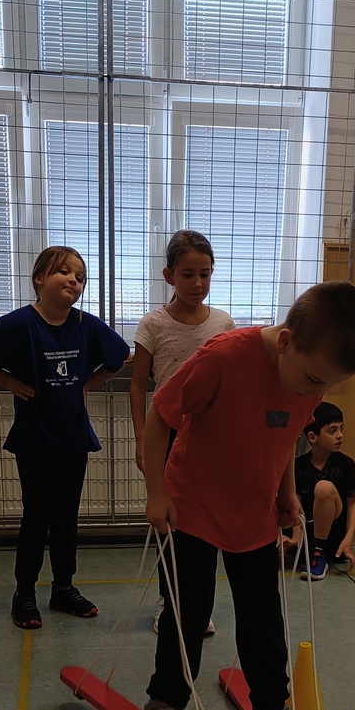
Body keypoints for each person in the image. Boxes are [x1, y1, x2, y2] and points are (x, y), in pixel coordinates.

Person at [140, 280, 355, 710]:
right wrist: (157, 493)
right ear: (285, 342)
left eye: (328, 385)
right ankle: (166, 704)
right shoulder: (223, 357)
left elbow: (284, 436)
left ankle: (269, 708)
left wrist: (286, 493)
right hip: (192, 508)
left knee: (264, 619)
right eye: (314, 380)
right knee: (189, 613)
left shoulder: (306, 377)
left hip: (254, 514)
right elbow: (160, 414)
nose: (317, 392)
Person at [0, 246, 129, 630]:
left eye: (80, 277)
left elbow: (120, 356)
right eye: (64, 272)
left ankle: (63, 587)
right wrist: (6, 381)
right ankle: (24, 593)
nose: (73, 281)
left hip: (74, 437)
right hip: (35, 438)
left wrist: (88, 383)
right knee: (37, 518)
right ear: (39, 278)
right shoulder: (21, 323)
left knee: (66, 518)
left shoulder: (86, 324)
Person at [129, 229, 234, 635]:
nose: (197, 283)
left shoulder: (223, 323)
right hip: (167, 436)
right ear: (169, 275)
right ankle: (167, 601)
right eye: (188, 274)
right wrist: (143, 439)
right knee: (169, 521)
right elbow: (138, 386)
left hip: (210, 439)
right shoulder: (153, 324)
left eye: (205, 274)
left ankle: (197, 604)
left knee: (204, 522)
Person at [292, 402, 355, 581]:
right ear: (313, 437)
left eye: (341, 429)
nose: (340, 435)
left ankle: (319, 552)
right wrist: (295, 538)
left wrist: (349, 539)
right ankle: (308, 551)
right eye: (332, 431)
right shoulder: (298, 466)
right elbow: (296, 506)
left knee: (324, 488)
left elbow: (353, 506)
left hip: (333, 537)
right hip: (307, 532)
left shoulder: (346, 464)